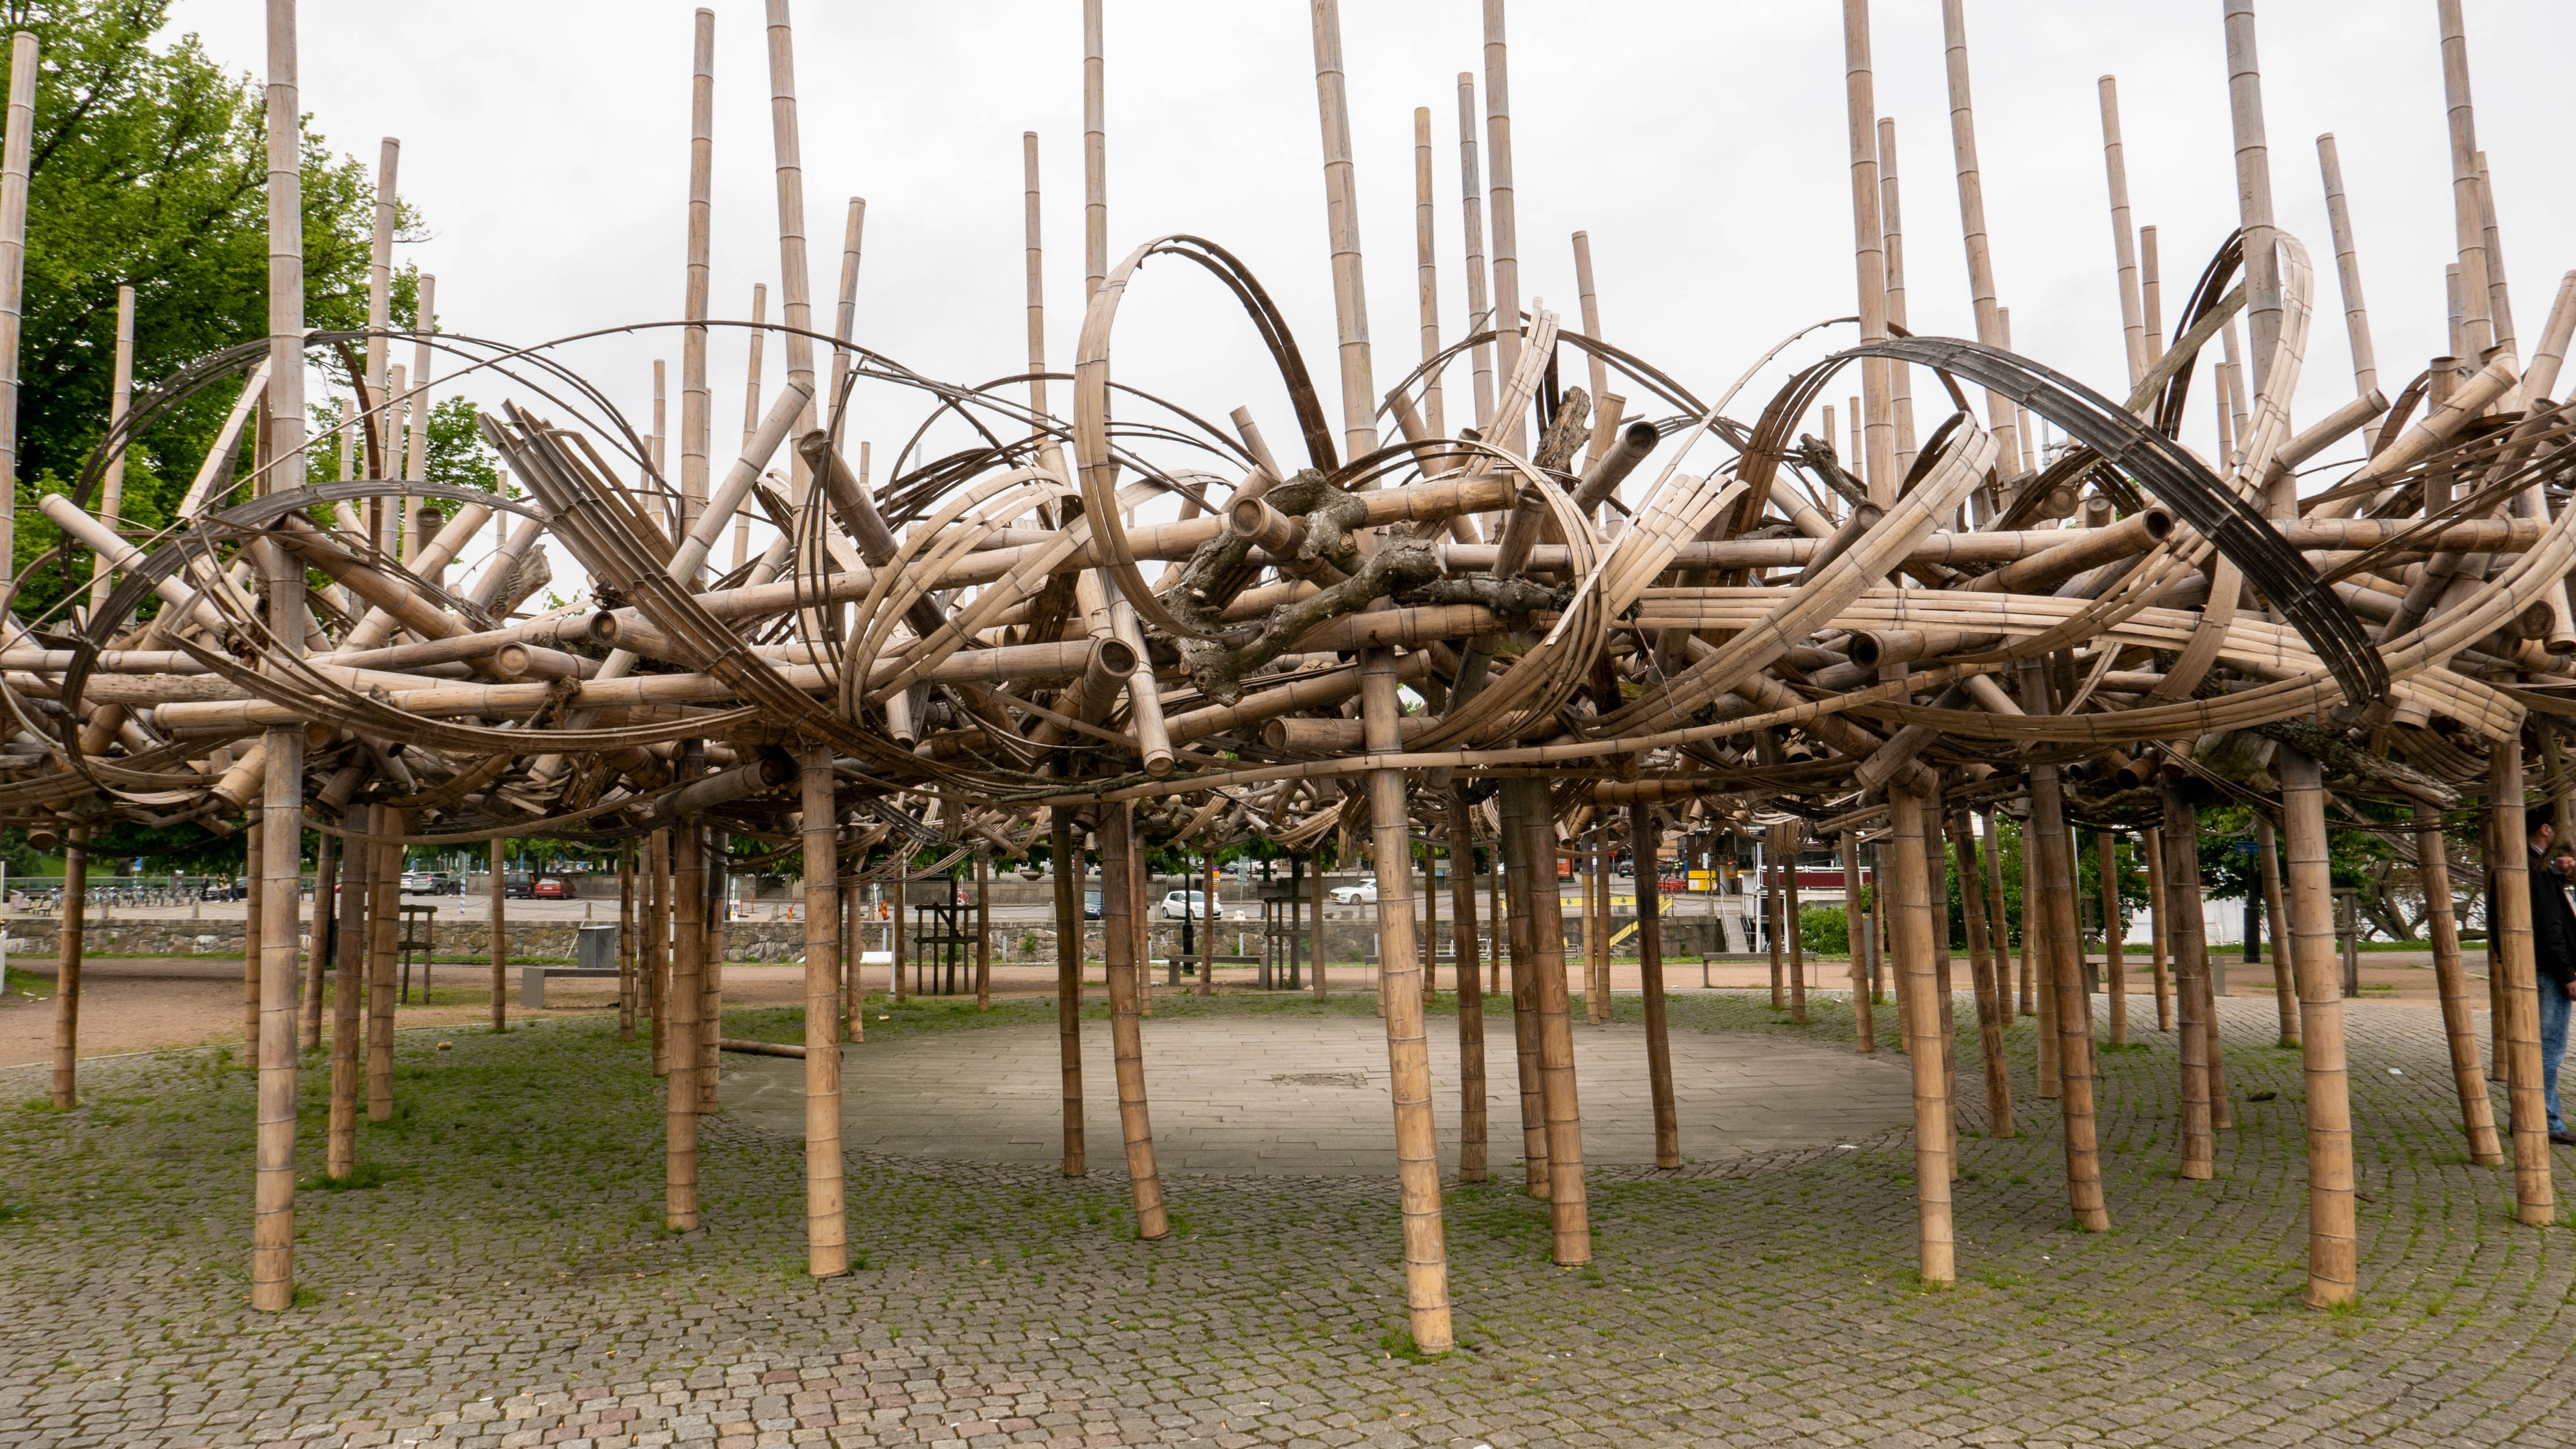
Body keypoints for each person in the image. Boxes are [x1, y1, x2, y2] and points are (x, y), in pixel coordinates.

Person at [2518, 806, 2576, 1146]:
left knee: (2541, 1047)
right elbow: (2549, 926)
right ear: (2546, 829)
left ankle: (2531, 1115)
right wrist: (2567, 973)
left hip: (2539, 966)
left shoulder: (2535, 865)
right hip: (2546, 969)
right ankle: (2546, 1120)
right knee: (2549, 1049)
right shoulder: (2535, 869)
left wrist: (2560, 871)